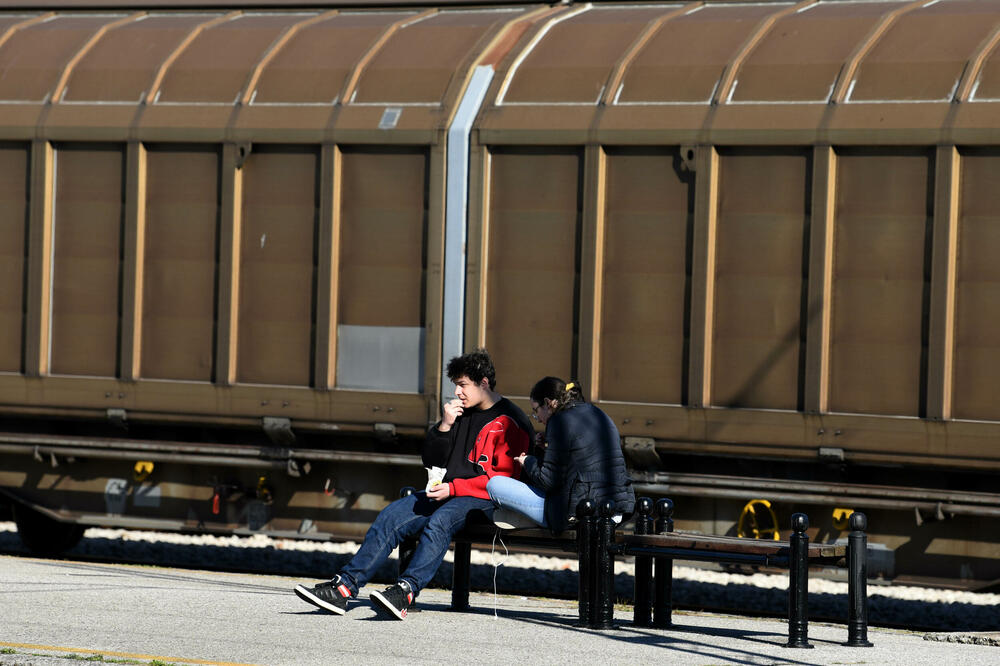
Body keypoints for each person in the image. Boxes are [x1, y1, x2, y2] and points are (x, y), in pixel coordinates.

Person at [293, 349, 532, 619]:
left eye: (463, 385)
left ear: (484, 383)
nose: (457, 392)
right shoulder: (459, 414)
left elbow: (504, 481)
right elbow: (430, 459)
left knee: (439, 522)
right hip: (449, 492)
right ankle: (344, 590)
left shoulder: (512, 421)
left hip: (485, 499)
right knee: (391, 516)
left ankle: (405, 591)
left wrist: (454, 489)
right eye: (455, 385)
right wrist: (444, 427)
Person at [486, 377, 635, 533]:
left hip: (581, 513)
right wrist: (545, 449)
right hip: (616, 507)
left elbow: (547, 480)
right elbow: (579, 461)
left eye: (536, 411)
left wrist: (528, 461)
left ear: (548, 403)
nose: (538, 419)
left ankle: (528, 518)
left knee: (495, 485)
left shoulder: (558, 421)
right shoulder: (596, 413)